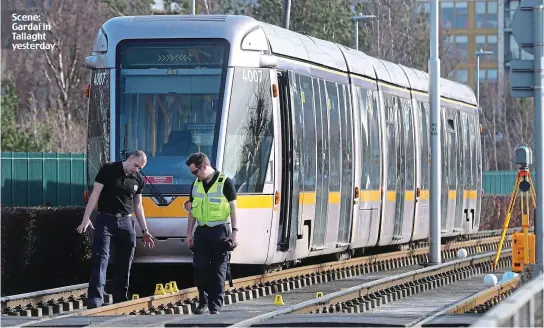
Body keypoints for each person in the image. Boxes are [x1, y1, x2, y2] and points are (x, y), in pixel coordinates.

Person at [76, 150, 155, 309]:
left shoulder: (138, 179)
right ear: (130, 158)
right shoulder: (108, 169)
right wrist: (86, 219)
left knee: (125, 261)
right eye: (136, 165)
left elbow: (138, 206)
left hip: (127, 222)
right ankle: (95, 300)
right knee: (101, 259)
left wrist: (145, 230)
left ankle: (120, 299)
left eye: (140, 168)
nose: (137, 169)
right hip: (106, 219)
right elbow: (95, 195)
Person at [185, 152, 238, 315]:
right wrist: (189, 234)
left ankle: (215, 306)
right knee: (199, 268)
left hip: (220, 231)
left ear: (204, 166)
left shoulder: (225, 182)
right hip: (202, 231)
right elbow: (193, 211)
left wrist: (234, 233)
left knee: (218, 270)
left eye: (195, 172)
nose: (194, 175)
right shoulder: (196, 184)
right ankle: (203, 301)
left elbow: (233, 209)